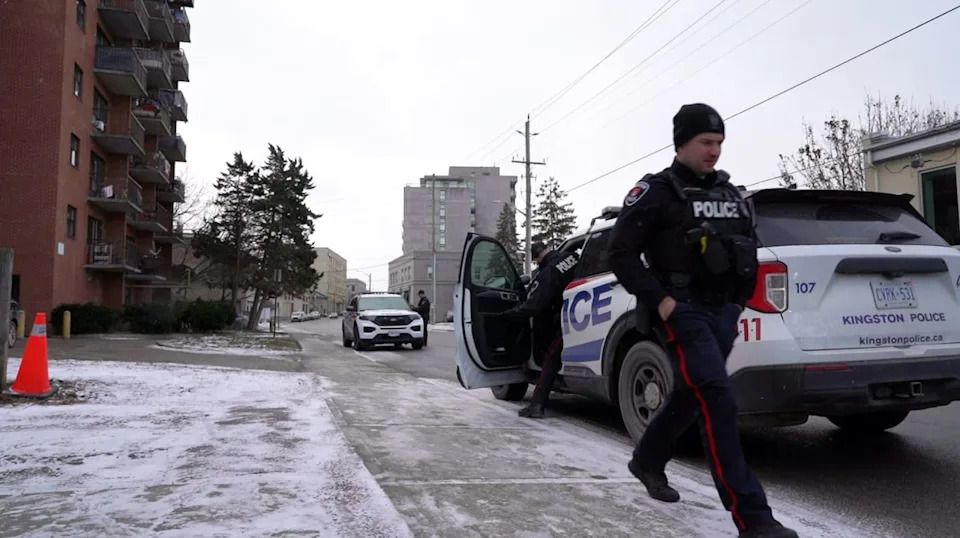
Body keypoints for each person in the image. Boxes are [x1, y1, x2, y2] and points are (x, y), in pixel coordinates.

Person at [608, 103, 797, 538]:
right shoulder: (655, 192)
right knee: (718, 400)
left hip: (722, 312)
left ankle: (647, 460)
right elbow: (620, 252)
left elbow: (746, 247)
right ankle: (755, 519)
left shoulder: (729, 194)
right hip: (681, 310)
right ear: (682, 143)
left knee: (692, 394)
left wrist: (736, 306)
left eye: (719, 143)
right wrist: (661, 302)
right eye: (705, 143)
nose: (714, 151)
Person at [497, 241, 578, 419]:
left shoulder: (547, 274)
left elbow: (532, 307)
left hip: (566, 319)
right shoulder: (572, 256)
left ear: (537, 257)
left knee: (550, 359)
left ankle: (537, 406)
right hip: (584, 316)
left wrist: (509, 315)